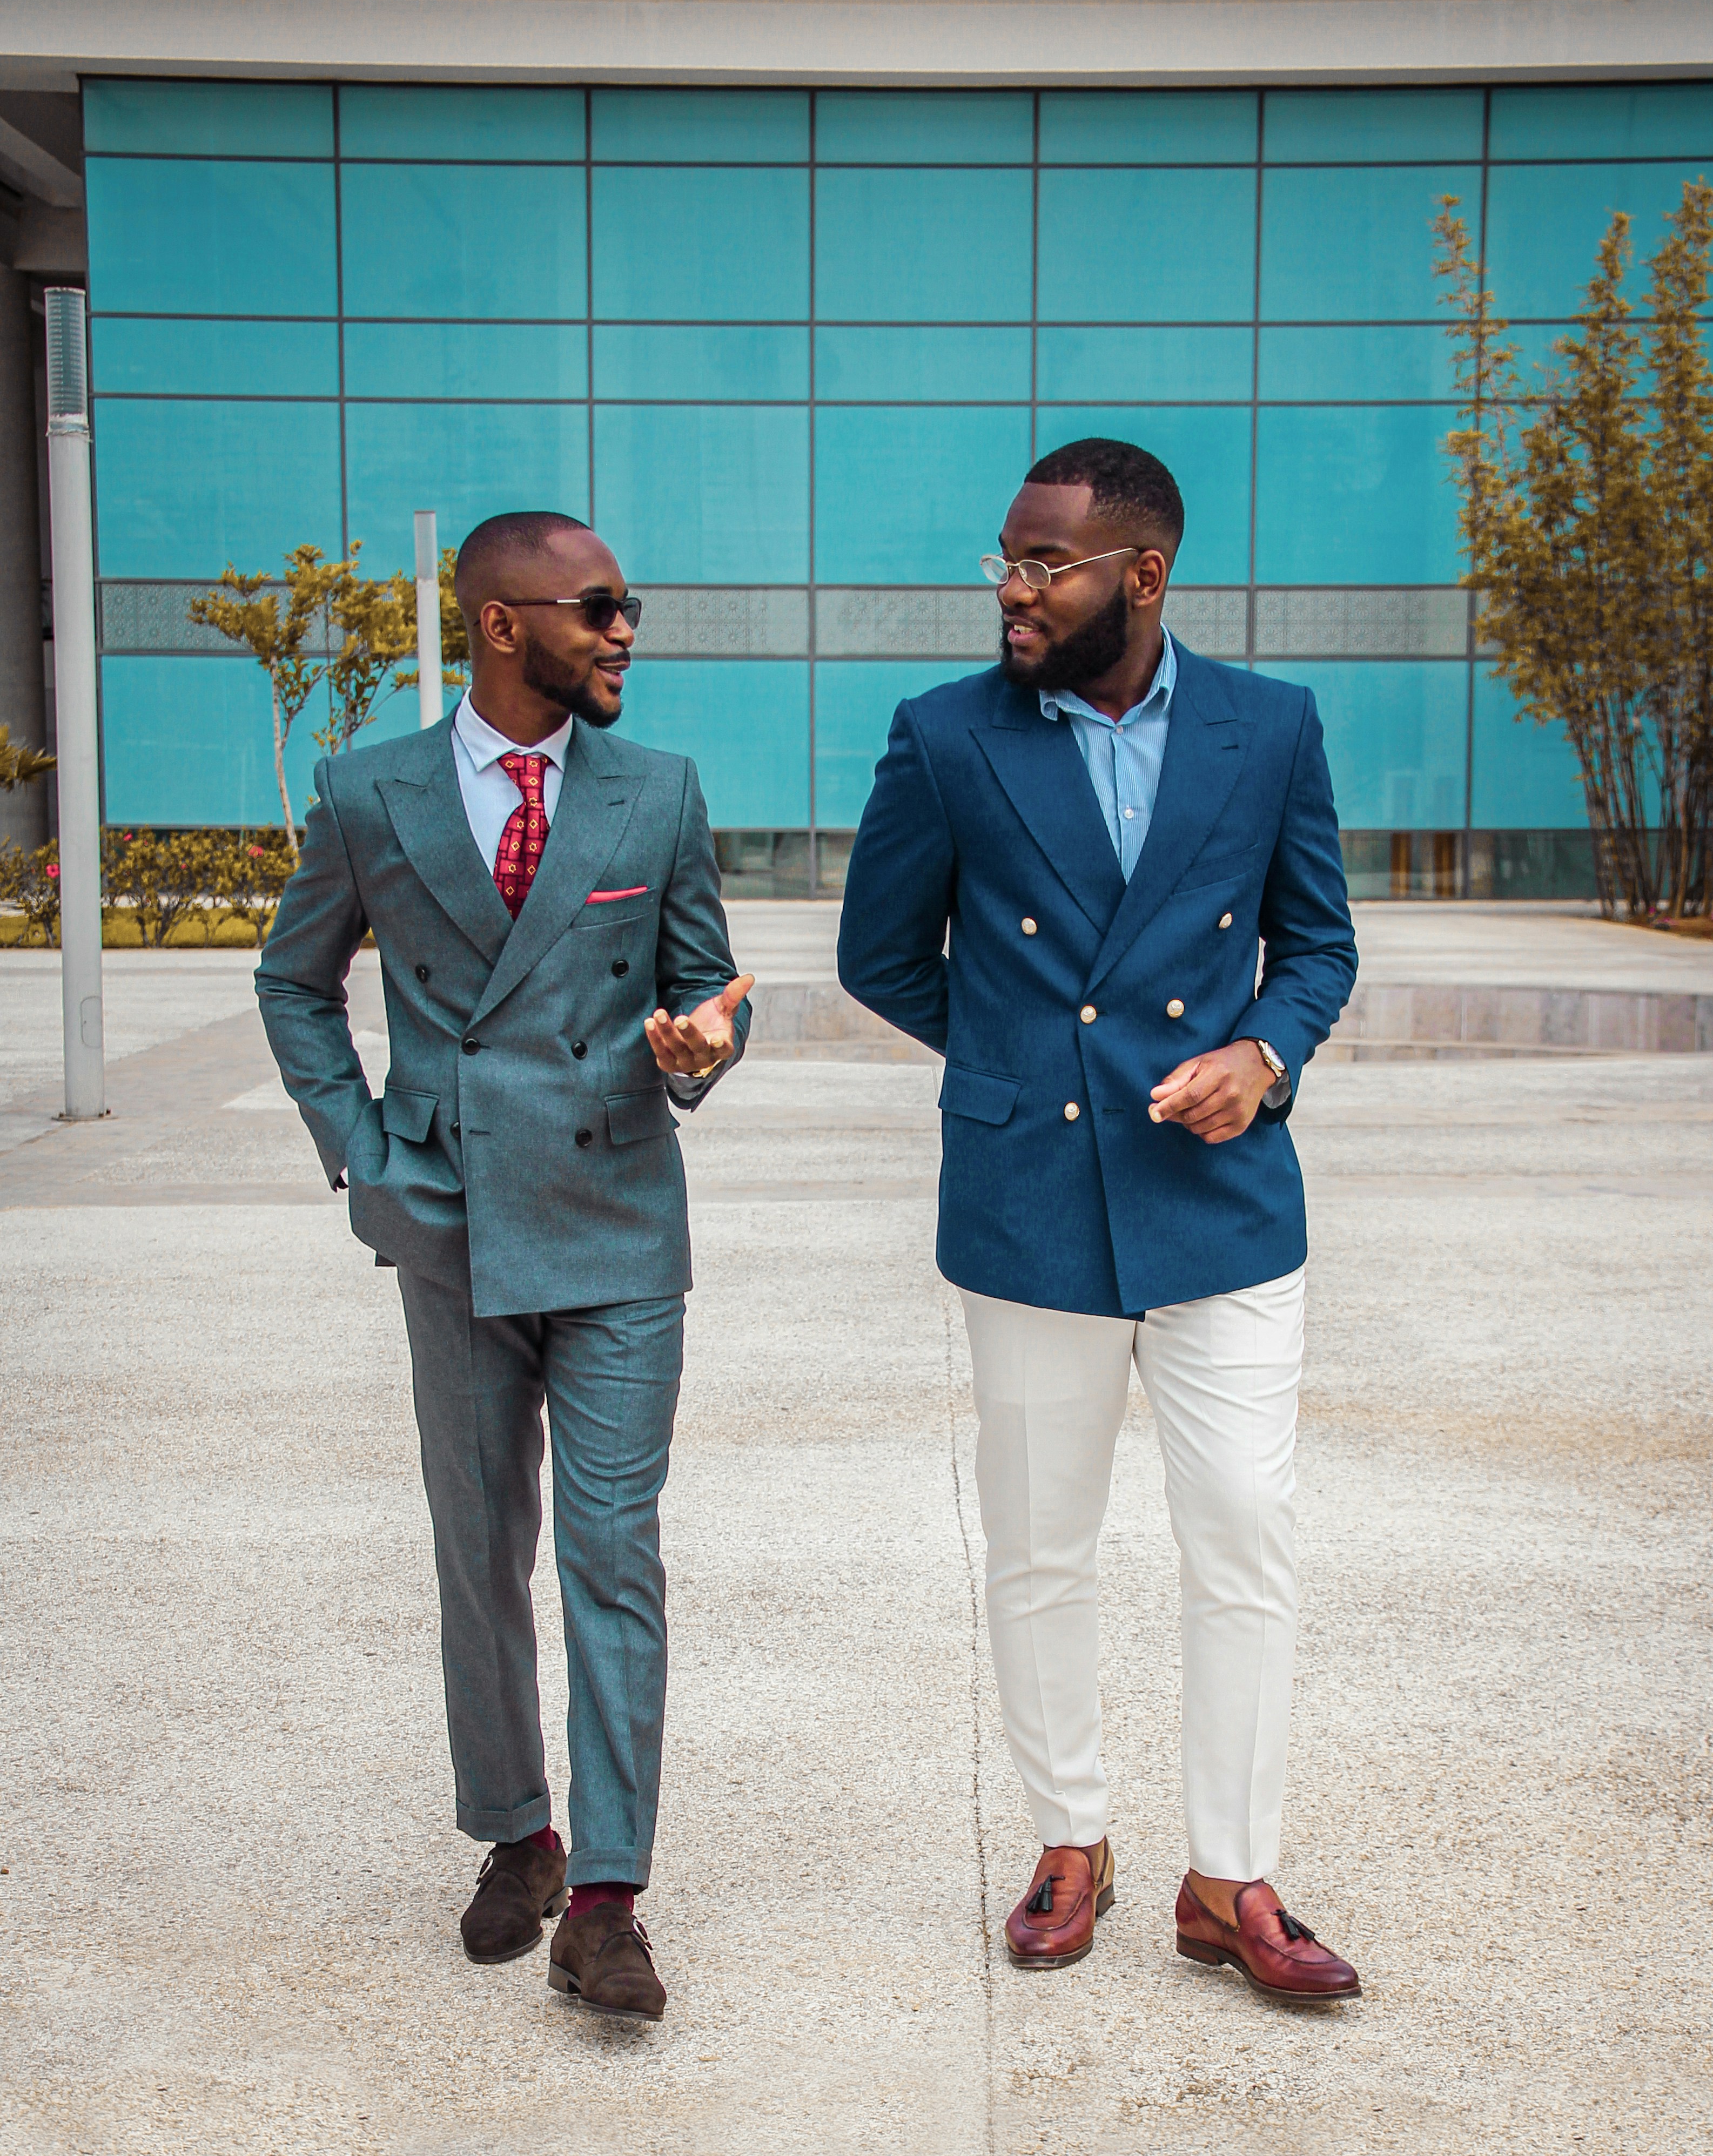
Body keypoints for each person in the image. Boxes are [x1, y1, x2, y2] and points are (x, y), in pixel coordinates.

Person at [837, 441, 1362, 2004]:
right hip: (1031, 1205)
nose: (1011, 588)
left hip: (1221, 1204)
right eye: (1003, 557)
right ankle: (1072, 1837)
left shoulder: (1270, 728)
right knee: (1040, 1550)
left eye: (1044, 564)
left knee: (1245, 1545)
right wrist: (1023, 1070)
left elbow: (1317, 944)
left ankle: (1232, 1877)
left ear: (1140, 575)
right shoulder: (943, 736)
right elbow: (883, 956)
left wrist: (1262, 1057)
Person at [256, 509, 751, 2024]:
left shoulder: (654, 792)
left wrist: (705, 1045)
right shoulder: (368, 792)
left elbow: (705, 983)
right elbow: (293, 979)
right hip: (451, 1222)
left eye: (629, 606)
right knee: (479, 1555)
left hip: (614, 1227)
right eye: (598, 608)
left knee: (613, 1555)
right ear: (499, 623)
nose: (621, 632)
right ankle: (516, 1837)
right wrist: (367, 1152)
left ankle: (606, 1896)